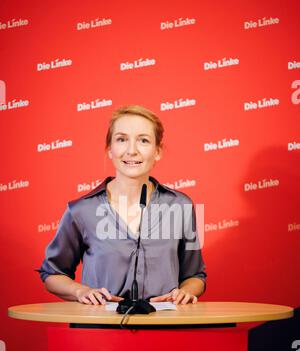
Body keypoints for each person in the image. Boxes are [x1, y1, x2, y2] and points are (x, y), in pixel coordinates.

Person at [37, 105, 207, 305]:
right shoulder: (81, 210)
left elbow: (196, 276)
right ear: (110, 150)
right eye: (121, 139)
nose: (131, 151)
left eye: (143, 140)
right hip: (99, 331)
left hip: (165, 328)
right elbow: (52, 273)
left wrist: (185, 292)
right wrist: (80, 291)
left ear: (158, 151)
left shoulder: (180, 206)